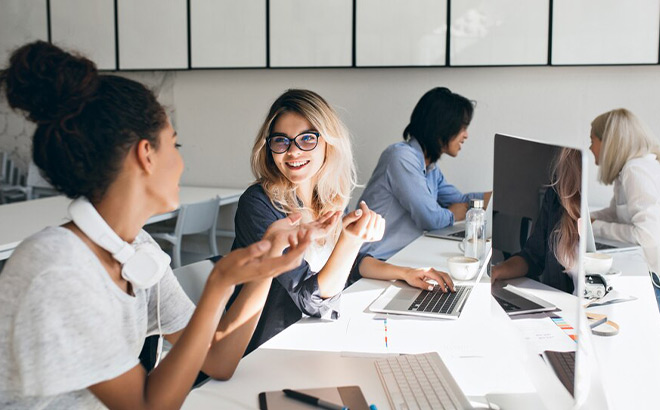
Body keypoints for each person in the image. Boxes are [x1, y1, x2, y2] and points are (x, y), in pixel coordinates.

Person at [0, 41, 325, 409]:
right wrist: (219, 284)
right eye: (176, 144)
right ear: (146, 154)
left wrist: (266, 269)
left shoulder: (137, 248)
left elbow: (218, 360)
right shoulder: (58, 269)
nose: (182, 164)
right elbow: (147, 406)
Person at [230, 89, 456, 354]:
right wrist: (349, 240)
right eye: (281, 141)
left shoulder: (329, 197)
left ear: (328, 142)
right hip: (266, 348)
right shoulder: (258, 205)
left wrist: (404, 273)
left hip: (311, 338)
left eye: (306, 139)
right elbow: (311, 298)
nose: (292, 152)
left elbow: (351, 264)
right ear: (269, 147)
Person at [358, 87, 491, 260]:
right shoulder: (401, 157)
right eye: (462, 127)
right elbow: (431, 219)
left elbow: (460, 201)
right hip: (375, 259)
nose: (465, 135)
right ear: (443, 126)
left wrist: (501, 195)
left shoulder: (430, 167)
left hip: (402, 257)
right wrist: (455, 213)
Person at [589, 108, 660, 307]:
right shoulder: (629, 171)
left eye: (592, 140)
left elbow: (647, 236)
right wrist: (585, 219)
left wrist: (594, 226)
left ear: (608, 142)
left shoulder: (635, 171)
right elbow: (616, 213)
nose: (589, 147)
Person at [491, 148, 581, 294]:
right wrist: (495, 271)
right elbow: (533, 256)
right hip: (560, 309)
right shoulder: (557, 194)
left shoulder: (608, 209)